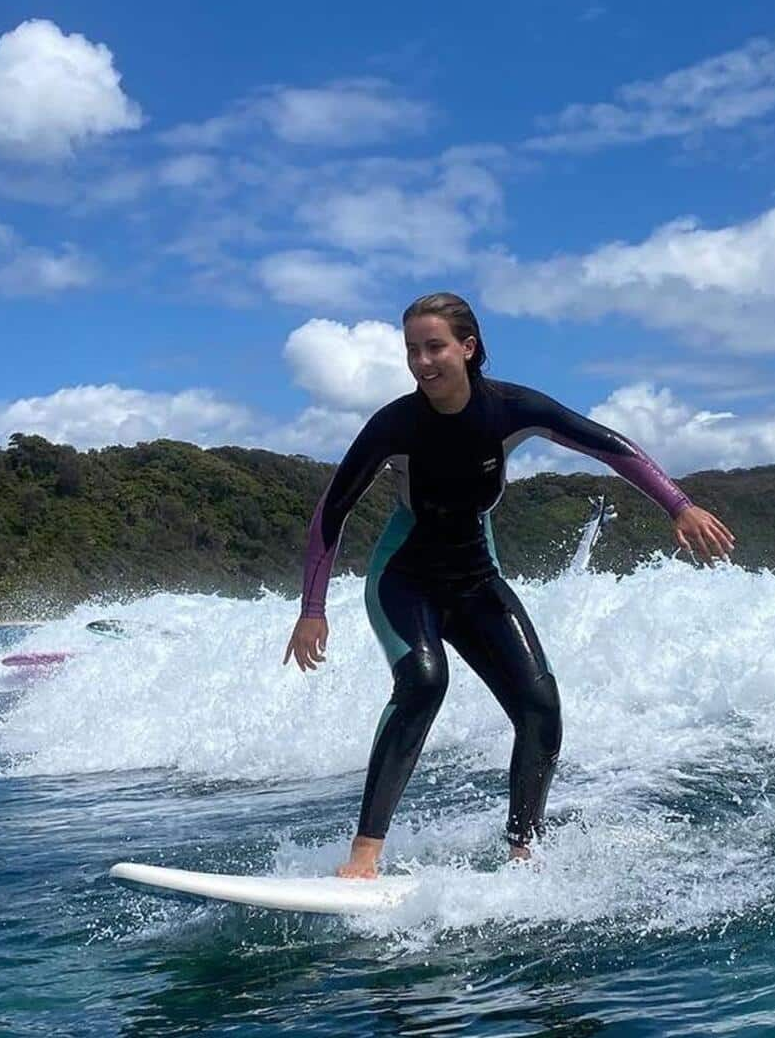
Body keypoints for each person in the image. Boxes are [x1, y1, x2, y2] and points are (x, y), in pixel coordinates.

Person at [282, 292, 736, 878]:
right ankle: (364, 857)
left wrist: (679, 504)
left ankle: (523, 852)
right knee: (423, 683)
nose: (423, 361)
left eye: (435, 346)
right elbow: (331, 511)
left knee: (540, 706)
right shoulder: (395, 424)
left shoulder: (510, 409)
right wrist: (312, 609)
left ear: (467, 349)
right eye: (413, 349)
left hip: (475, 581)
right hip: (404, 580)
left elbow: (607, 446)